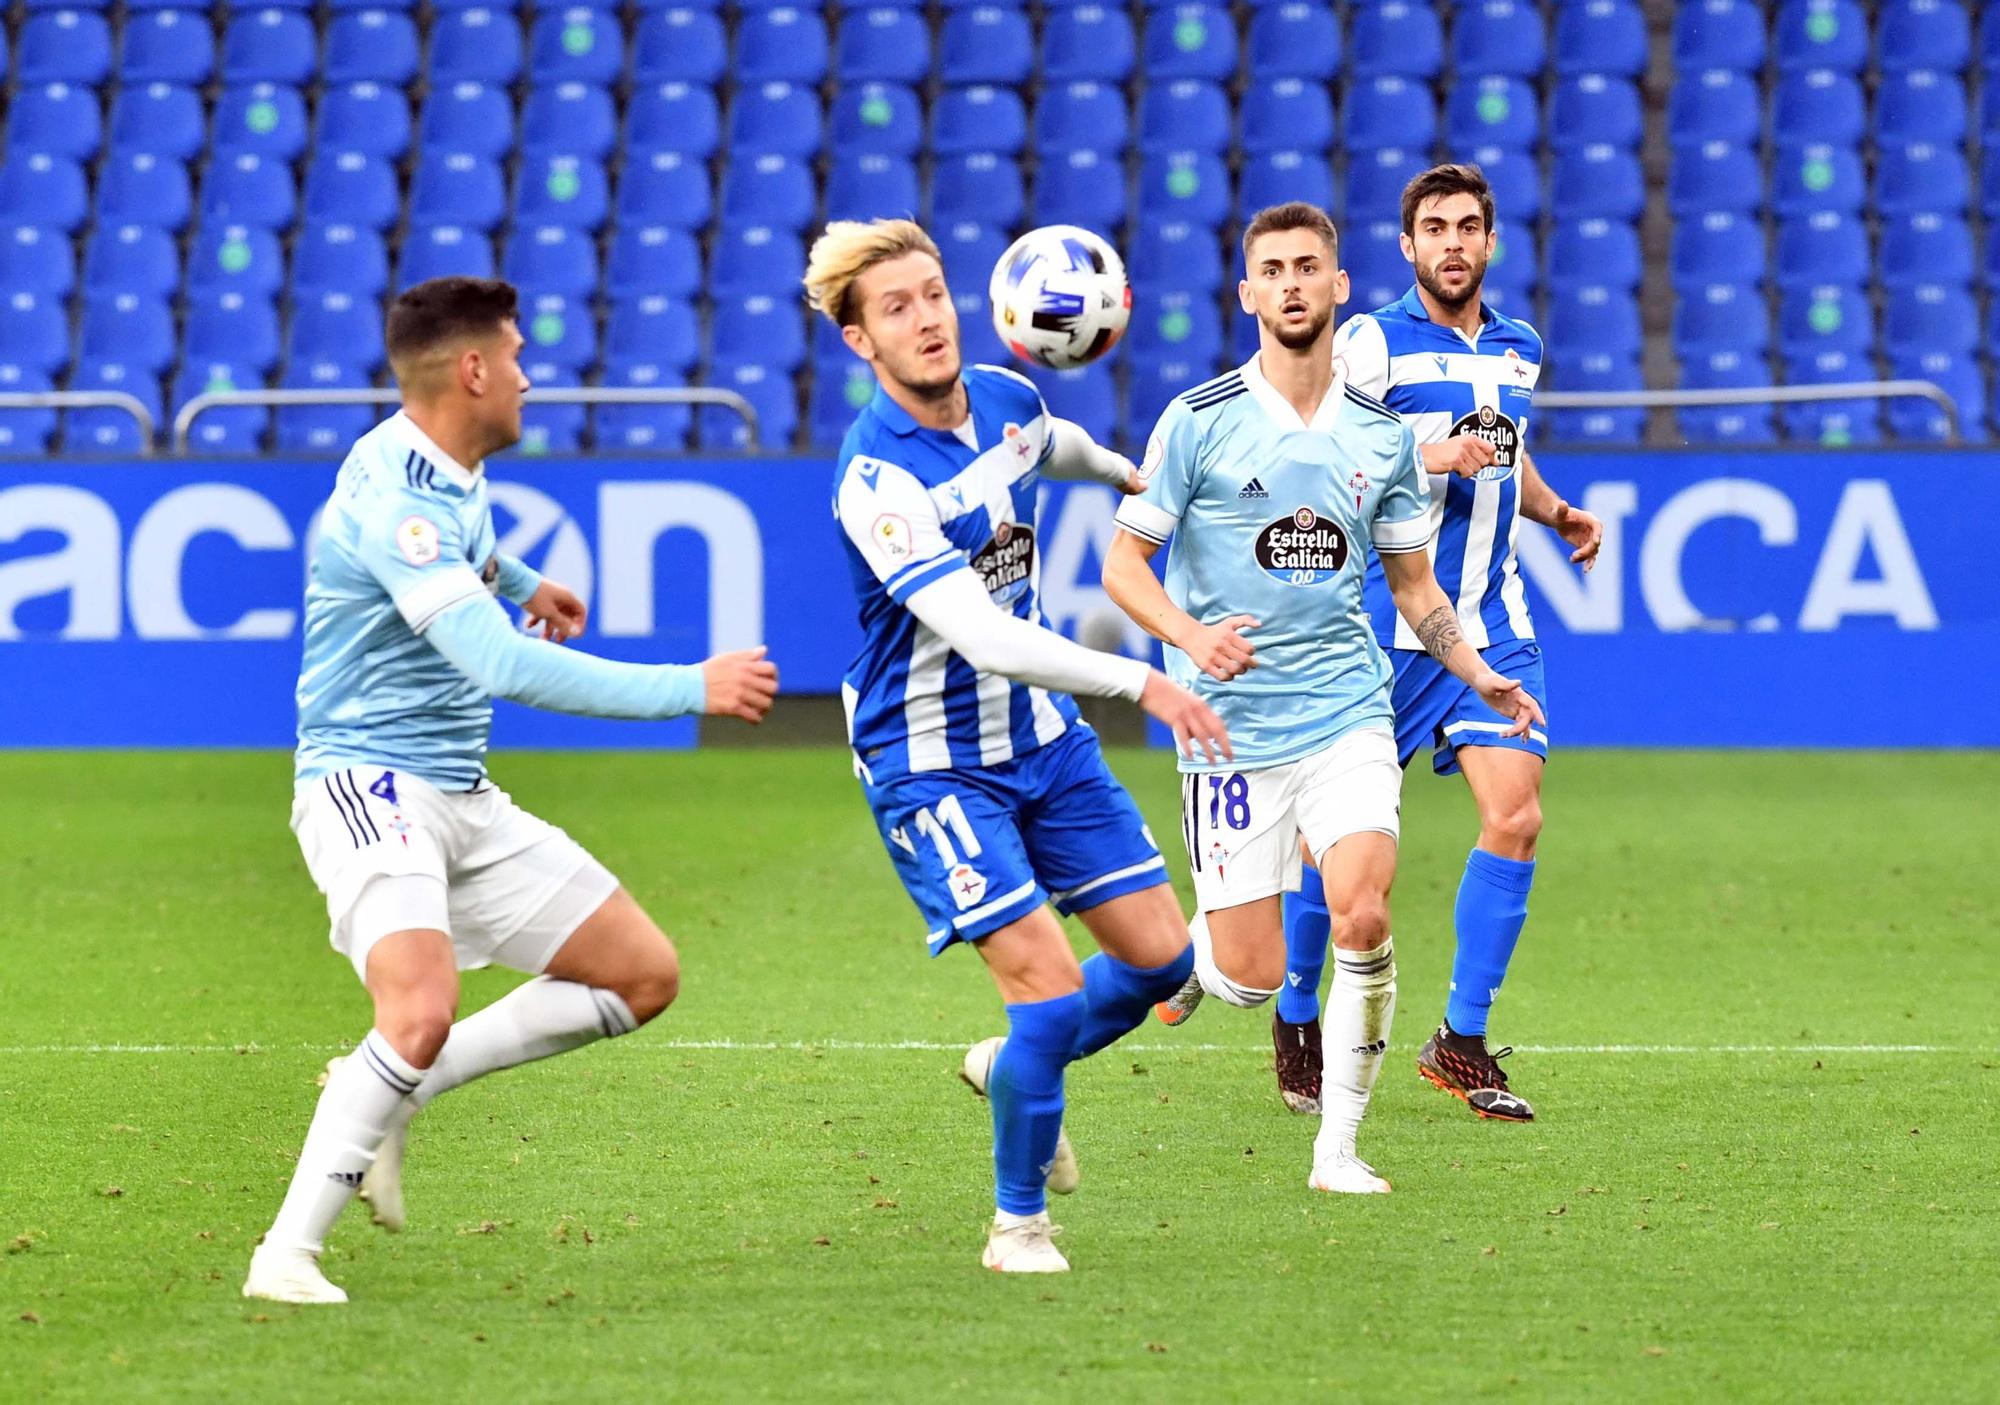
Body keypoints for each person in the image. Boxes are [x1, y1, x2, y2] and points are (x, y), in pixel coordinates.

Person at [243, 277, 779, 1304]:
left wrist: (524, 580)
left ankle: (403, 1094)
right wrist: (688, 688)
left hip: (456, 789)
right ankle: (286, 1255)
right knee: (417, 1007)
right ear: (473, 370)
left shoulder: (437, 464)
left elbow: (462, 551)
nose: (531, 376)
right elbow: (503, 667)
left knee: (640, 975)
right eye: (518, 355)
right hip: (367, 782)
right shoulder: (400, 498)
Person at [807, 218, 1231, 1273]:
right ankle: (1016, 1226)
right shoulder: (876, 481)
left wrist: (1124, 473)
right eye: (894, 307)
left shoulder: (1006, 395)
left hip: (1039, 739)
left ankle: (1007, 1067)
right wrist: (1144, 681)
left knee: (1159, 964)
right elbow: (985, 634)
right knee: (1045, 987)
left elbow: (1052, 445)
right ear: (860, 343)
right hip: (930, 761)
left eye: (932, 292)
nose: (924, 318)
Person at [1101, 202, 1544, 1193]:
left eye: (1309, 266)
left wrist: (1472, 670)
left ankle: (1336, 1148)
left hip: (1348, 708)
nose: (1292, 282)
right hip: (1230, 729)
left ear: (1338, 289)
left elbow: (1413, 586)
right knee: (1248, 973)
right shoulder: (1197, 419)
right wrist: (1188, 636)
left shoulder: (1378, 438)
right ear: (1248, 293)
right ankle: (1153, 982)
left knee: (1362, 912)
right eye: (1273, 269)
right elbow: (1122, 568)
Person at [1279, 164, 1605, 1123]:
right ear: (1408, 245)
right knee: (1332, 845)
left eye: (1469, 226)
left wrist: (1553, 512)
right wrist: (1429, 453)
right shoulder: (1372, 339)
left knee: (1517, 815)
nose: (1453, 242)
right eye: (1435, 227)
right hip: (1382, 625)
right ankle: (1298, 1013)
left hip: (1492, 622)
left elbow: (1504, 449)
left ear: (1490, 242)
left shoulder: (1518, 346)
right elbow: (1324, 445)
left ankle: (1459, 1040)